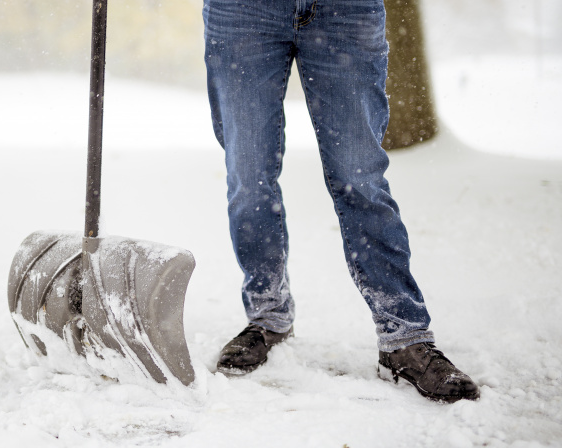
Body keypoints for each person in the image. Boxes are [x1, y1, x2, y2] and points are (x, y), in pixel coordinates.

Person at [202, 0, 480, 402]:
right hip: (244, 12)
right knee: (249, 177)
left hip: (345, 10)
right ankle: (268, 316)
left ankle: (404, 337)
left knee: (359, 179)